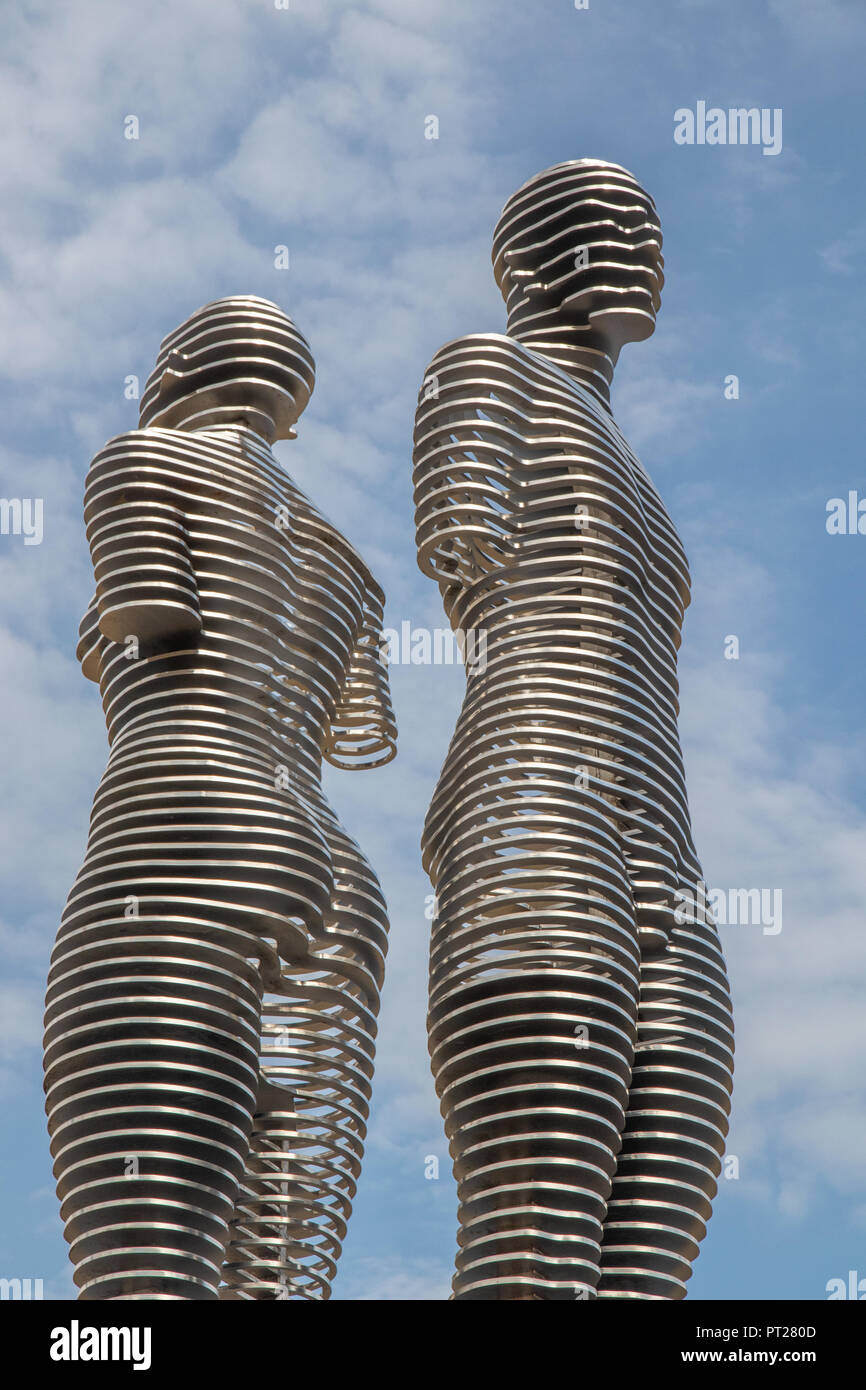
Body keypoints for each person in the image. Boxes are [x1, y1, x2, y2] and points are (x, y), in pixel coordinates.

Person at [413, 161, 734, 1299]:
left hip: (666, 836)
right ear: (523, 257)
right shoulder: (483, 370)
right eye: (599, 221)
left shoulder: (643, 483)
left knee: (659, 1227)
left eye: (648, 227)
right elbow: (459, 551)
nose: (636, 245)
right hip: (535, 780)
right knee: (533, 1219)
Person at [45, 296, 396, 1300]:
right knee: (272, 1282)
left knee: (142, 1269)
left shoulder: (142, 460)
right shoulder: (345, 561)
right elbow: (354, 735)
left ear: (175, 371)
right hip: (329, 860)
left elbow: (146, 604)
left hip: (184, 809)